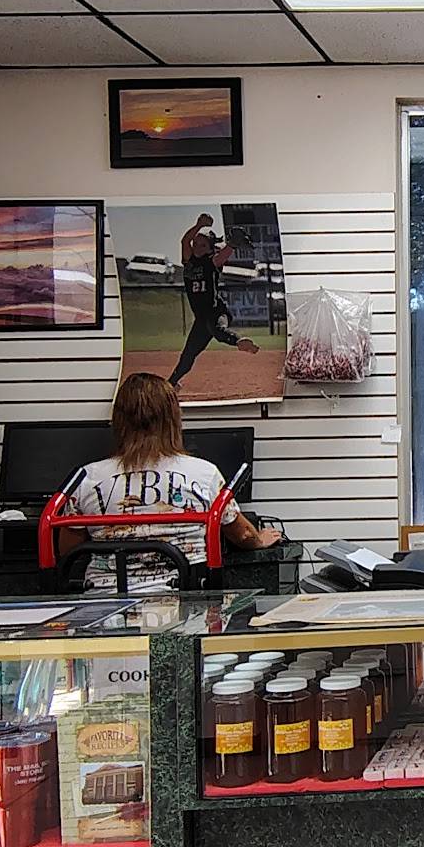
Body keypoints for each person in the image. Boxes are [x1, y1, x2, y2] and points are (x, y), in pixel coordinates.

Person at [61, 373, 282, 590]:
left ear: (118, 420)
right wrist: (259, 540)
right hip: (185, 597)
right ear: (174, 418)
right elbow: (242, 534)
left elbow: (67, 551)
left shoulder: (86, 478)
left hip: (105, 597)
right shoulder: (204, 473)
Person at [168, 212, 260, 387]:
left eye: (203, 245)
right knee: (188, 354)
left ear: (210, 248)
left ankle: (239, 341)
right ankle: (171, 384)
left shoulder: (212, 262)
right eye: (196, 244)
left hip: (217, 311)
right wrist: (199, 225)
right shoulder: (188, 262)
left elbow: (224, 253)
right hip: (201, 319)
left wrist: (232, 244)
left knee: (217, 329)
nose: (197, 247)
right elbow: (185, 241)